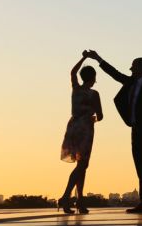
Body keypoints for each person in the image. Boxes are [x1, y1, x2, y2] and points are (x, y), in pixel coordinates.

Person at [85, 49, 142, 213]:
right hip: (135, 128)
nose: (131, 70)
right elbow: (114, 73)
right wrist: (98, 59)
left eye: (133, 67)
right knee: (139, 165)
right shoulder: (130, 82)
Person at [57, 54, 104, 214]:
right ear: (94, 78)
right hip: (86, 129)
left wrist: (83, 59)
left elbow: (72, 72)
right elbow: (101, 115)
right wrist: (92, 119)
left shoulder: (76, 89)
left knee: (81, 166)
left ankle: (80, 200)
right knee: (83, 165)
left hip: (73, 127)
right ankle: (66, 197)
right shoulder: (94, 94)